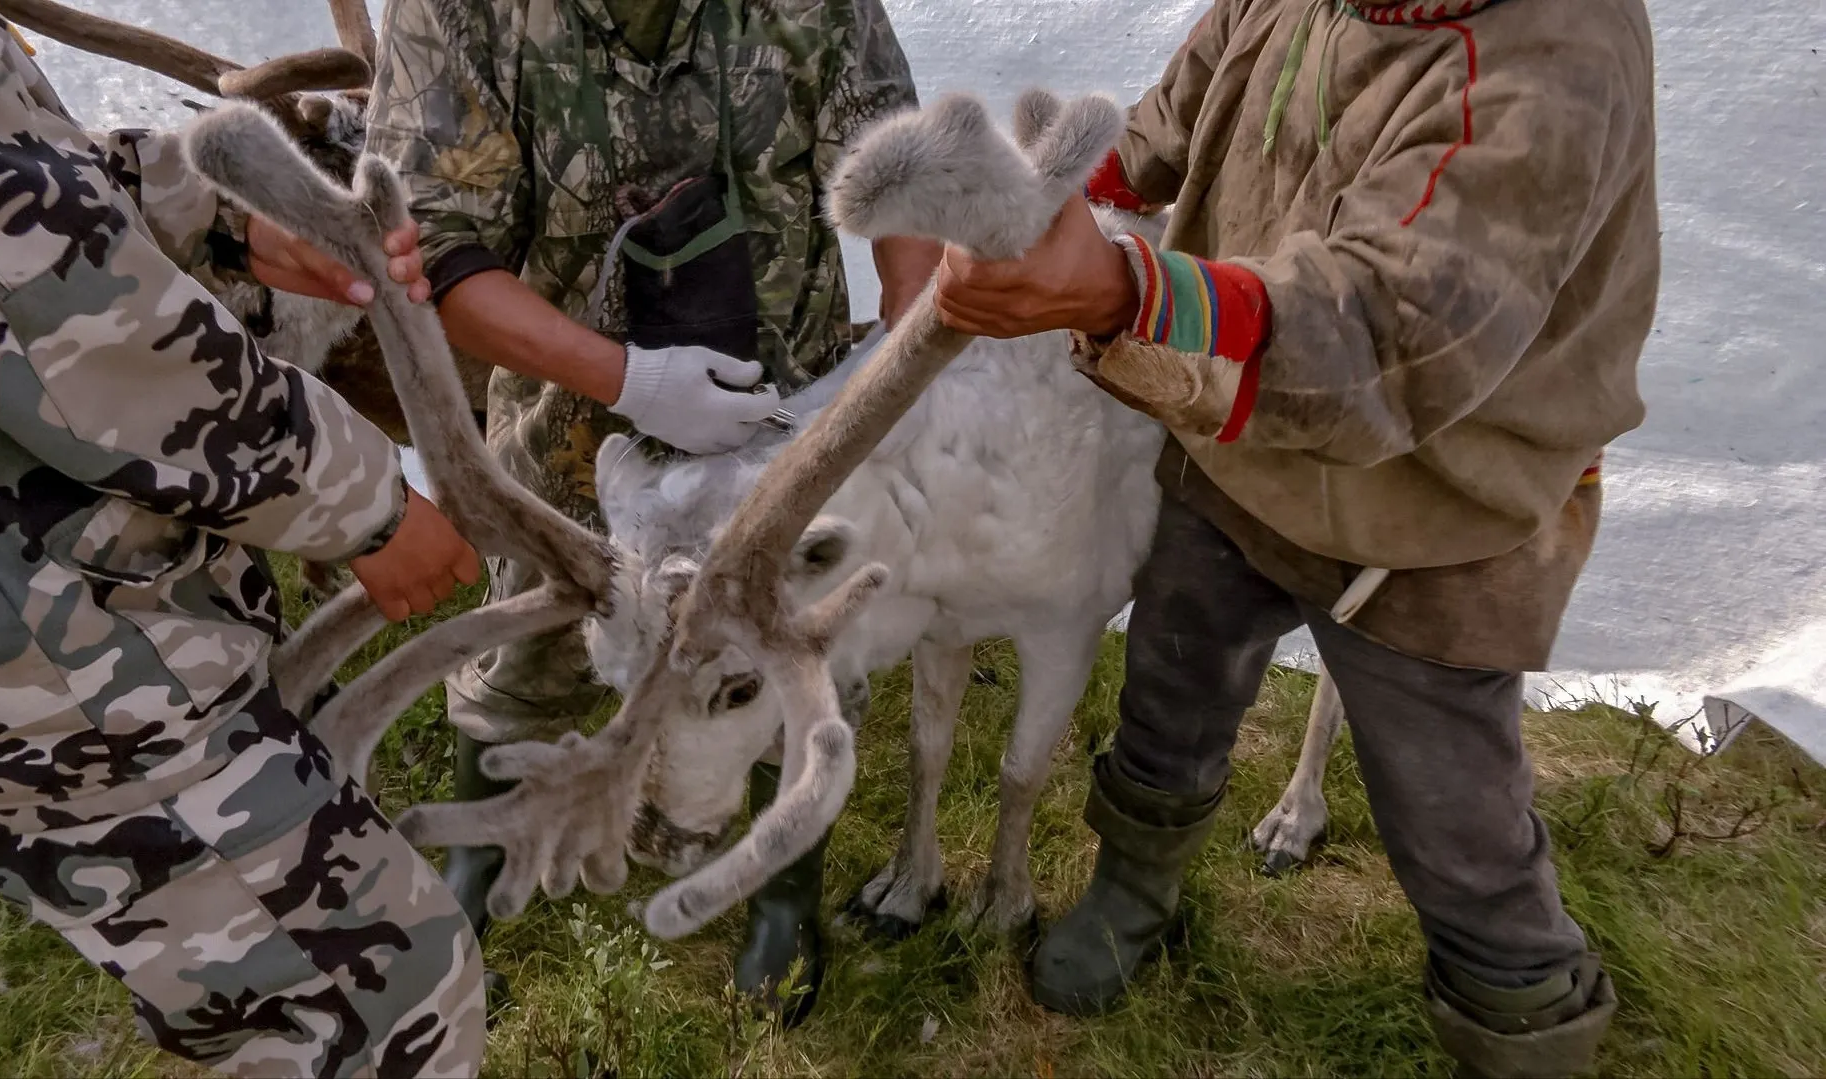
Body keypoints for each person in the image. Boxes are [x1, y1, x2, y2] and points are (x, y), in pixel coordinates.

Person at [933, 0, 1658, 1073]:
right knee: (1168, 690)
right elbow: (1177, 117)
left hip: (1435, 509)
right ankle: (1135, 889)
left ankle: (1519, 1019)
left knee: (1451, 812)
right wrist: (1056, 199)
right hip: (1235, 440)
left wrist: (1122, 287)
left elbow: (1389, 326)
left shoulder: (1555, 61)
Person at [0, 1, 488, 1073]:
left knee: (248, 987)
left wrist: (216, 207)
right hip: (37, 640)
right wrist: (362, 503)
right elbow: (58, 321)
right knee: (378, 1001)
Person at [364, 0, 941, 1026]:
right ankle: (479, 848)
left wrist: (903, 344)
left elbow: (892, 160)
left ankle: (782, 880)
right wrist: (626, 378)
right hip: (567, 426)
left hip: (781, 422)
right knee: (531, 640)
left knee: (775, 649)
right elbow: (435, 248)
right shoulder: (459, 12)